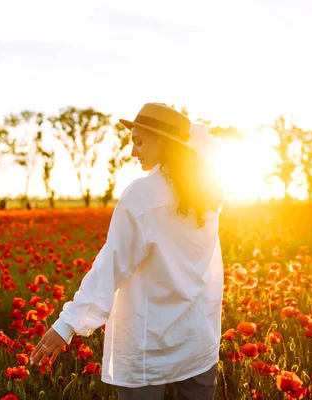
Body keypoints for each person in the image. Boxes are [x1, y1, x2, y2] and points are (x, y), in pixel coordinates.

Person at [29, 103, 225, 400]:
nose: (133, 151)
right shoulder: (207, 194)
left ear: (164, 141)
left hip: (149, 339)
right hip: (198, 334)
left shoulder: (143, 194)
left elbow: (112, 264)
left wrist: (67, 323)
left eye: (140, 141)